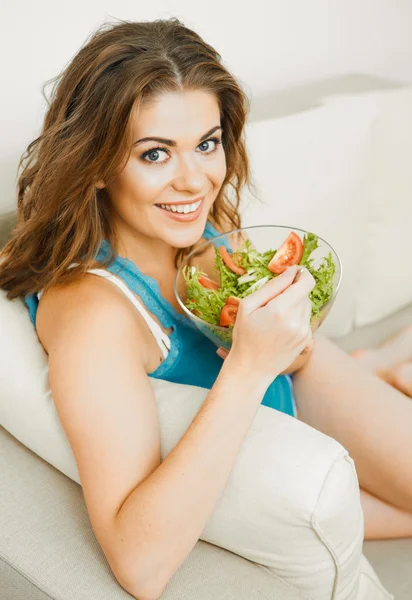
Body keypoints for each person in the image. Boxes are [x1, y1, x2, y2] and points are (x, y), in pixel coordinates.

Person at [0, 17, 411, 599]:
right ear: (94, 163)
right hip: (267, 415)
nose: (195, 181)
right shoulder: (96, 318)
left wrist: (286, 341)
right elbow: (139, 565)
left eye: (207, 143)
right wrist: (248, 366)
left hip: (292, 389)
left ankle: (380, 363)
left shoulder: (196, 230)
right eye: (155, 154)